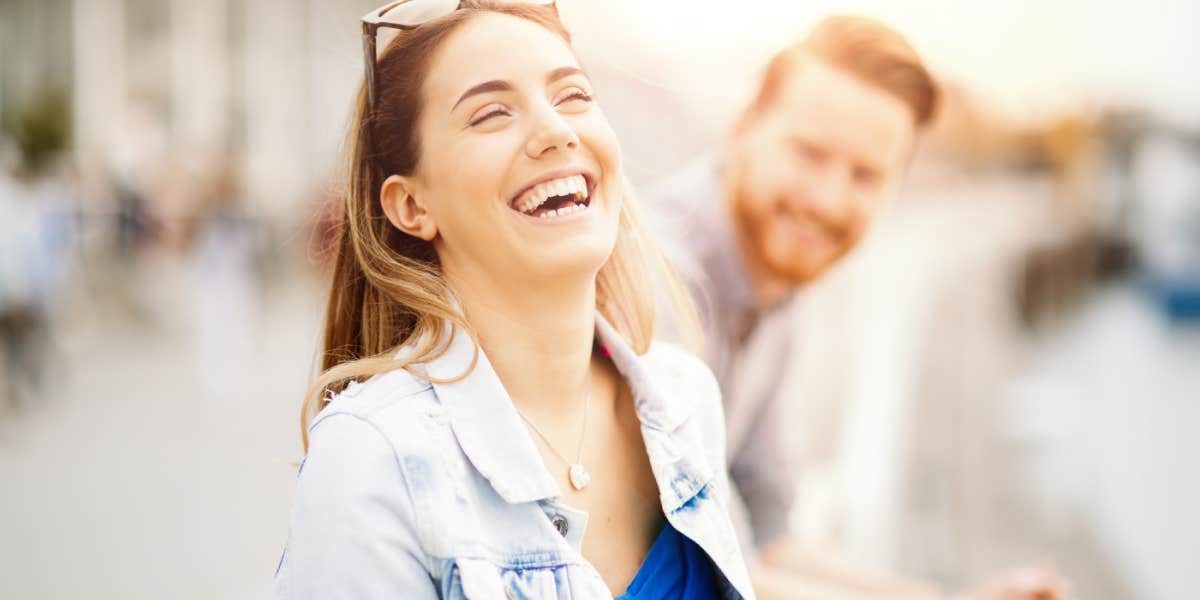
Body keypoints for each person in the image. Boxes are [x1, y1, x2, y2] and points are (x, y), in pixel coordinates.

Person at [272, 1, 754, 598]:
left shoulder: (685, 398)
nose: (557, 130)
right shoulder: (374, 458)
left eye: (573, 95)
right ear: (411, 206)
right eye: (492, 113)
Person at [652, 15, 1062, 600]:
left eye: (866, 175)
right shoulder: (662, 285)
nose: (828, 200)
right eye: (810, 153)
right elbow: (715, 576)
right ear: (744, 128)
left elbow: (770, 540)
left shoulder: (773, 285)